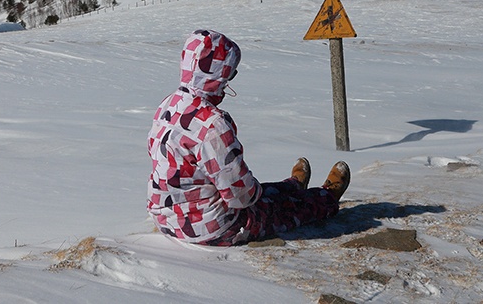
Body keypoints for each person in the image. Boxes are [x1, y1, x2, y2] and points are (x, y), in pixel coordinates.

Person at [147, 29, 351, 245]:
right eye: (230, 74)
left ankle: (291, 185)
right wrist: (259, 195)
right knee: (279, 209)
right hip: (213, 227)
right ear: (218, 74)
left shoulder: (168, 106)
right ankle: (325, 198)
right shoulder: (212, 125)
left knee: (261, 193)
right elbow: (239, 195)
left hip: (167, 219)